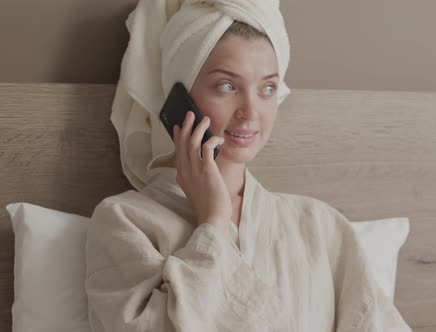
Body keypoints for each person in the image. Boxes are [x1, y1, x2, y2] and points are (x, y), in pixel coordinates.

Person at [85, 0, 412, 331]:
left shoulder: (321, 226)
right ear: (179, 96)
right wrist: (213, 223)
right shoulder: (126, 222)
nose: (250, 112)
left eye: (267, 88)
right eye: (227, 86)